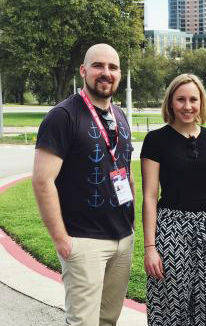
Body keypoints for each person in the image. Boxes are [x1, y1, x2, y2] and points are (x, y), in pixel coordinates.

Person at [32, 43, 135, 326]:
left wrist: (132, 227)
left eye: (112, 67)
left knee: (107, 320)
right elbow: (42, 181)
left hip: (122, 239)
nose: (106, 73)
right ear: (83, 70)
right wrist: (62, 240)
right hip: (83, 240)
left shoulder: (120, 116)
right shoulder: (63, 116)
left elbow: (125, 171)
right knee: (84, 322)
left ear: (120, 74)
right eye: (98, 66)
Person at [141, 73, 206, 325]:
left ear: (201, 102)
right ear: (170, 102)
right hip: (172, 230)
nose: (187, 106)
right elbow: (150, 197)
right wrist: (150, 248)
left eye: (193, 99)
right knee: (171, 306)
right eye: (180, 99)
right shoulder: (156, 140)